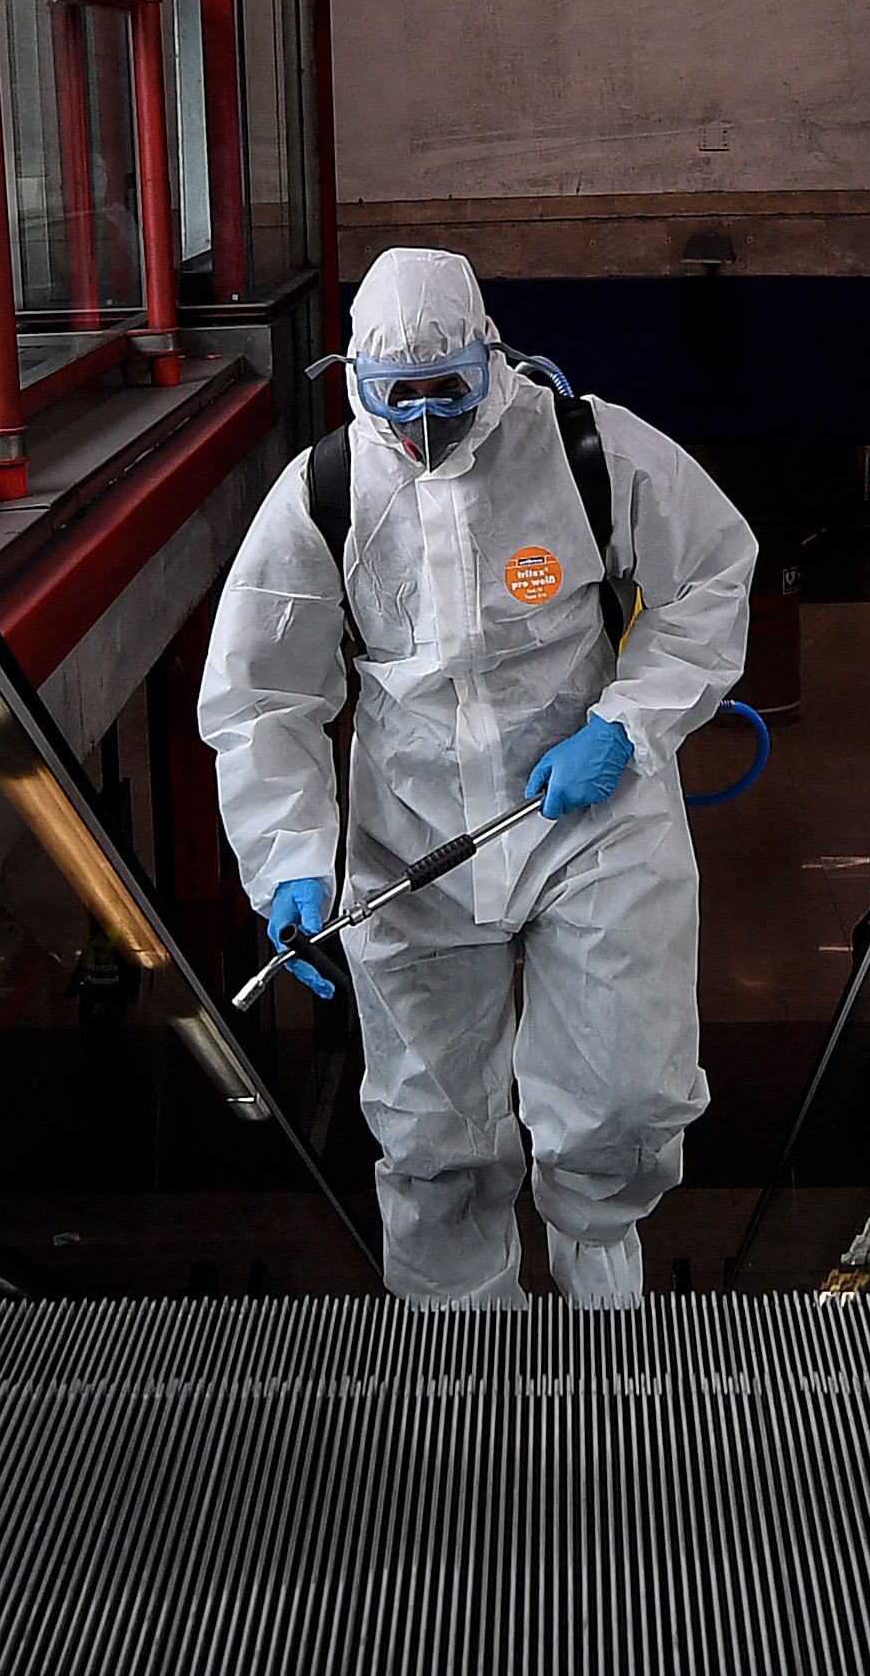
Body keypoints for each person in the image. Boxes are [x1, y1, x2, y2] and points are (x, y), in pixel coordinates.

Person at [198, 248, 757, 1306]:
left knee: (628, 1096)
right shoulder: (323, 494)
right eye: (391, 398)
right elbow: (263, 696)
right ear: (352, 378)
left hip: (591, 818)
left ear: (487, 356)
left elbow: (711, 576)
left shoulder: (586, 446)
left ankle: (602, 1305)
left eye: (446, 391)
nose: (420, 423)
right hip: (413, 841)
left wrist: (625, 724)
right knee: (431, 1130)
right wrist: (290, 867)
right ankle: (466, 1365)